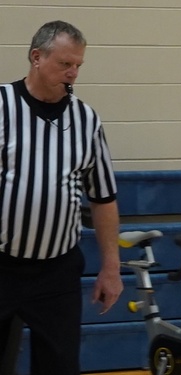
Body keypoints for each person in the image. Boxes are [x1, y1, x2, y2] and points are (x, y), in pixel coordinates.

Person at [0, 20, 123, 375]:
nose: (73, 74)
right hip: (1, 266)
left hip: (56, 271)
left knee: (60, 366)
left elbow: (103, 198)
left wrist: (111, 268)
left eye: (78, 66)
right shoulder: (2, 104)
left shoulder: (86, 120)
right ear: (36, 57)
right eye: (64, 64)